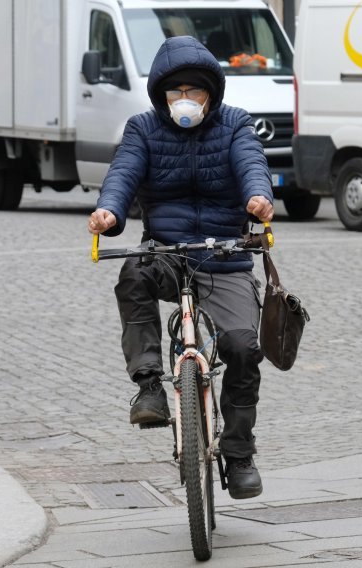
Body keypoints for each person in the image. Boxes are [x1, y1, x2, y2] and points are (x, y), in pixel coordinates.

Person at [86, 36, 274, 500]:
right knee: (132, 275)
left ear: (211, 94)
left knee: (244, 349)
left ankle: (238, 450)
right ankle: (150, 386)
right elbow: (123, 174)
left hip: (224, 256)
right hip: (166, 253)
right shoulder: (143, 129)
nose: (185, 102)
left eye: (195, 93)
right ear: (161, 97)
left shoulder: (234, 125)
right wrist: (108, 212)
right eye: (175, 94)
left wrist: (259, 198)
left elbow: (253, 164)